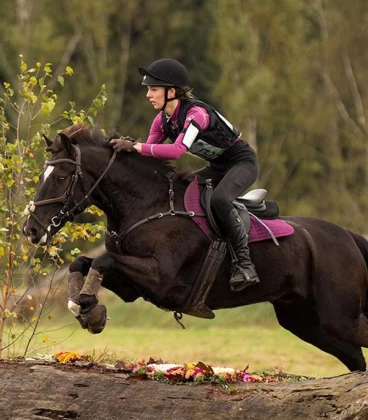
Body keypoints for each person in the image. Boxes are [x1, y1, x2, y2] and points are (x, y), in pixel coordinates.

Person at [110, 58, 260, 291]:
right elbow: (149, 154)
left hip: (242, 162)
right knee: (182, 191)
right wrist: (123, 154)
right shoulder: (162, 121)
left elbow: (177, 151)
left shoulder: (196, 114)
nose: (148, 95)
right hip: (218, 166)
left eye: (153, 89)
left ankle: (244, 263)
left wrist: (136, 146)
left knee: (220, 199)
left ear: (171, 92)